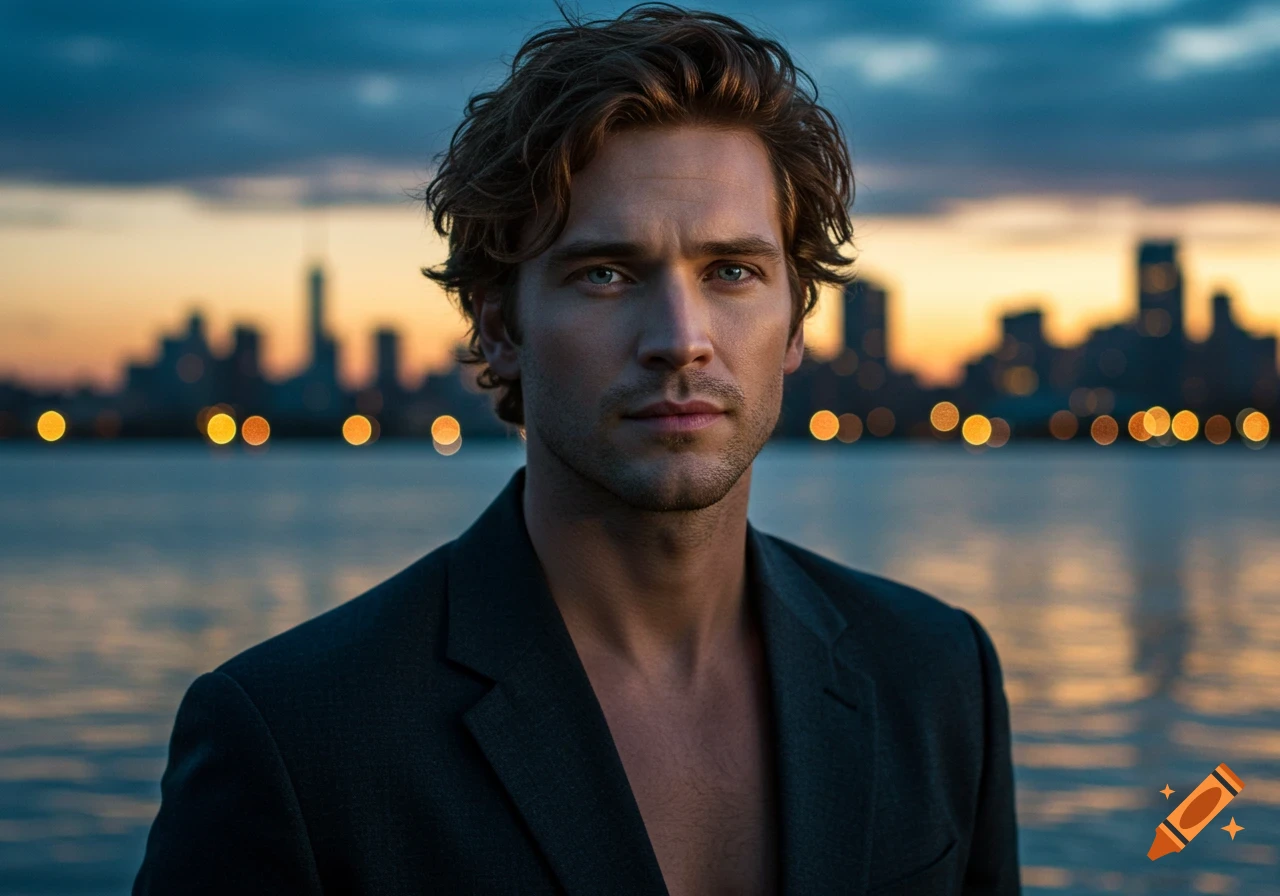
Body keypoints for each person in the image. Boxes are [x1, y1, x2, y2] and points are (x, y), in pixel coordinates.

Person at [133, 3, 1021, 894]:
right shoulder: (294, 736)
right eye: (606, 274)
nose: (680, 338)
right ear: (500, 325)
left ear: (797, 320)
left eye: (732, 272)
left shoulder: (937, 676)